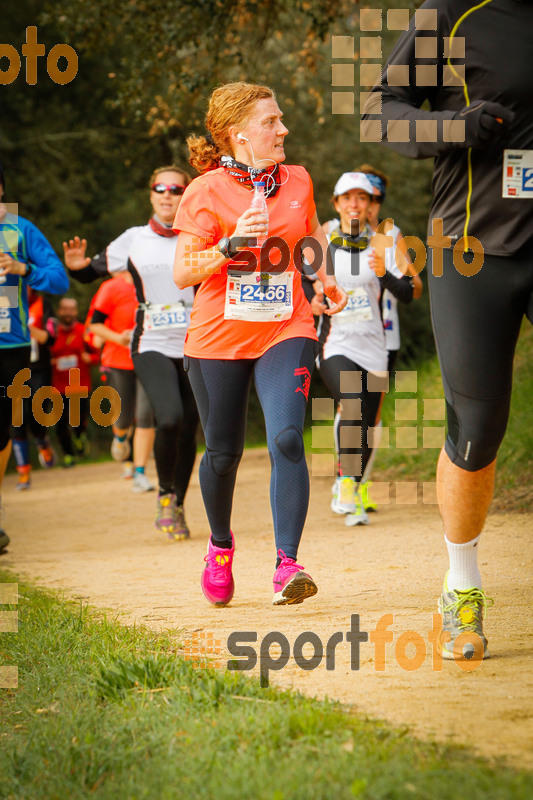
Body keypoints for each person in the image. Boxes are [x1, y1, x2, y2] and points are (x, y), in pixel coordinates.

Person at [362, 0, 533, 659]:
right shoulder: (453, 15)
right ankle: (461, 585)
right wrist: (453, 126)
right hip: (471, 249)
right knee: (476, 424)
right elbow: (379, 111)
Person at [173, 81, 347, 607]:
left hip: (285, 326)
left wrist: (325, 278)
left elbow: (311, 234)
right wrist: (230, 245)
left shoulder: (297, 179)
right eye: (271, 122)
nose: (283, 129)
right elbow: (183, 271)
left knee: (289, 439)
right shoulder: (204, 191)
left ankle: (287, 564)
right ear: (238, 134)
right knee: (223, 454)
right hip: (217, 338)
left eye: (280, 119)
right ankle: (220, 547)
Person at [64, 166, 198, 540]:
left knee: (189, 427)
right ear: (151, 195)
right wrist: (77, 267)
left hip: (196, 344)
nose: (168, 194)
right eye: (160, 188)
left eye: (176, 188)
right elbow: (91, 270)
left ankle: (177, 502)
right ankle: (165, 495)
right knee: (168, 417)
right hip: (150, 342)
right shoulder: (134, 239)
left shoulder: (202, 236)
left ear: (187, 194)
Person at [316, 172, 414, 526]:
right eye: (347, 198)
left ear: (370, 202)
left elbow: (409, 292)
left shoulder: (384, 242)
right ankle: (345, 482)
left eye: (362, 197)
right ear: (337, 203)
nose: (354, 204)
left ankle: (354, 489)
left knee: (369, 425)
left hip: (375, 344)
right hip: (335, 342)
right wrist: (313, 300)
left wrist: (385, 274)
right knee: (352, 402)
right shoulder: (322, 240)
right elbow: (300, 285)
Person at [0, 161, 69, 552]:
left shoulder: (19, 230)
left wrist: (22, 267)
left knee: (5, 430)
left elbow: (58, 278)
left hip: (9, 345)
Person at [88, 271, 156, 492]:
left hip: (149, 357)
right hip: (118, 360)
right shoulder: (111, 288)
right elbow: (93, 326)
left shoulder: (155, 281)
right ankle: (120, 438)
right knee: (124, 418)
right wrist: (117, 337)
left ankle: (140, 472)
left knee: (146, 414)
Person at [11, 289, 57, 490]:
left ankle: (42, 442)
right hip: (13, 369)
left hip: (39, 369)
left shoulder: (42, 303)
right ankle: (23, 473)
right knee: (17, 419)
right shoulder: (8, 299)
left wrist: (26, 329)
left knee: (37, 414)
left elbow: (51, 337)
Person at [50, 297, 100, 466]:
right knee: (61, 422)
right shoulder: (52, 333)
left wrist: (90, 358)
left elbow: (96, 354)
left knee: (77, 419)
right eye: (65, 309)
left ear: (76, 312)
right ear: (59, 311)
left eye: (71, 309)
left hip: (79, 383)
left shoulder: (83, 331)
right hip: (57, 385)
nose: (68, 312)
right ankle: (68, 454)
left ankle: (80, 437)